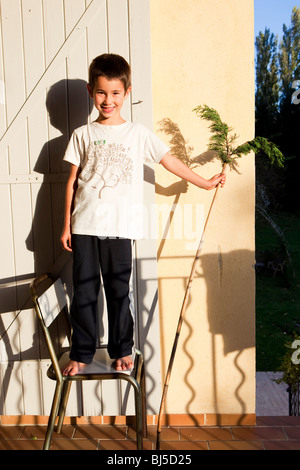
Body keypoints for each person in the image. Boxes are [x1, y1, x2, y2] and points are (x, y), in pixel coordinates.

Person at [60, 53, 226, 376]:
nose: (108, 100)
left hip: (121, 229)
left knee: (119, 291)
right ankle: (81, 352)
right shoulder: (82, 134)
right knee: (84, 291)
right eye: (101, 93)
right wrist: (65, 225)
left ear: (127, 91)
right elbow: (71, 182)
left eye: (115, 93)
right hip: (84, 226)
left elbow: (169, 161)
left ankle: (123, 349)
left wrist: (205, 183)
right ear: (90, 91)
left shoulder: (138, 134)